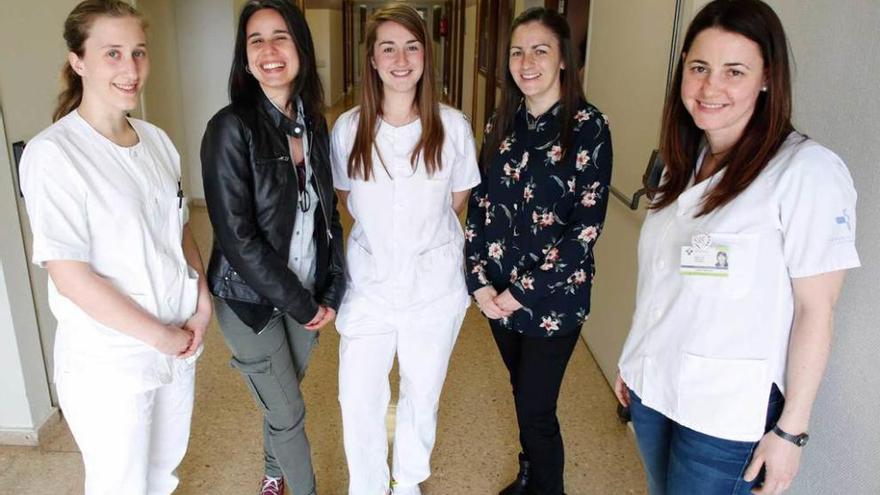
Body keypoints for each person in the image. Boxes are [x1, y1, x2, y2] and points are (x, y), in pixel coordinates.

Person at [614, 1, 860, 494]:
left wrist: (791, 431)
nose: (710, 88)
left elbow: (816, 309)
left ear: (767, 78)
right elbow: (664, 280)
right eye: (699, 68)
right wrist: (633, 359)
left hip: (727, 417)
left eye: (735, 71)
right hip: (653, 388)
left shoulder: (805, 172)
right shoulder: (680, 161)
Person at [18, 1, 211, 493]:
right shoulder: (54, 155)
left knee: (163, 471)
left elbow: (179, 227)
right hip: (111, 361)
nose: (131, 69)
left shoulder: (157, 141)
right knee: (119, 483)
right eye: (113, 53)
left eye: (139, 52)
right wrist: (158, 336)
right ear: (77, 61)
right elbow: (70, 275)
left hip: (176, 342)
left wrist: (202, 299)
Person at [329, 4, 480, 495]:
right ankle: (369, 486)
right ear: (371, 59)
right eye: (387, 47)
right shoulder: (349, 129)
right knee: (358, 396)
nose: (400, 59)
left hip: (433, 287)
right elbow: (349, 198)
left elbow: (457, 202)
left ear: (426, 57)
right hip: (369, 285)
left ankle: (409, 478)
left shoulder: (453, 127)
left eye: (411, 46)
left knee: (422, 391)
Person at [465, 7, 613, 495]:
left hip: (553, 302)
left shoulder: (589, 127)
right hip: (497, 298)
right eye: (517, 51)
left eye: (540, 50)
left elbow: (584, 230)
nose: (526, 62)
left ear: (564, 59)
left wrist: (520, 293)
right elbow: (480, 202)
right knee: (521, 392)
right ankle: (531, 472)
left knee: (535, 406)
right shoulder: (501, 121)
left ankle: (548, 488)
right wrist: (479, 280)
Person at [200, 1, 345, 494]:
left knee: (280, 396)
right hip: (249, 301)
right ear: (244, 58)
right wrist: (304, 304)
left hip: (307, 292)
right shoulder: (229, 128)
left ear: (300, 47)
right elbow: (238, 239)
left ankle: (273, 473)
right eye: (255, 40)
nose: (268, 50)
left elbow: (329, 218)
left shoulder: (315, 123)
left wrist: (334, 286)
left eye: (280, 36)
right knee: (288, 411)